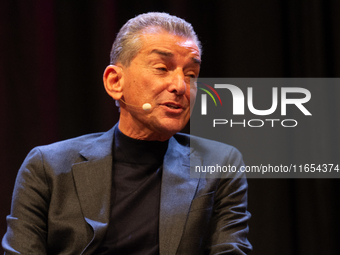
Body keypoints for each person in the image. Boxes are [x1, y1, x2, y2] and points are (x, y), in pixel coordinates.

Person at [2, 12, 252, 254]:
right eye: (162, 68)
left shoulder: (219, 163)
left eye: (191, 75)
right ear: (115, 82)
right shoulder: (48, 167)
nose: (180, 86)